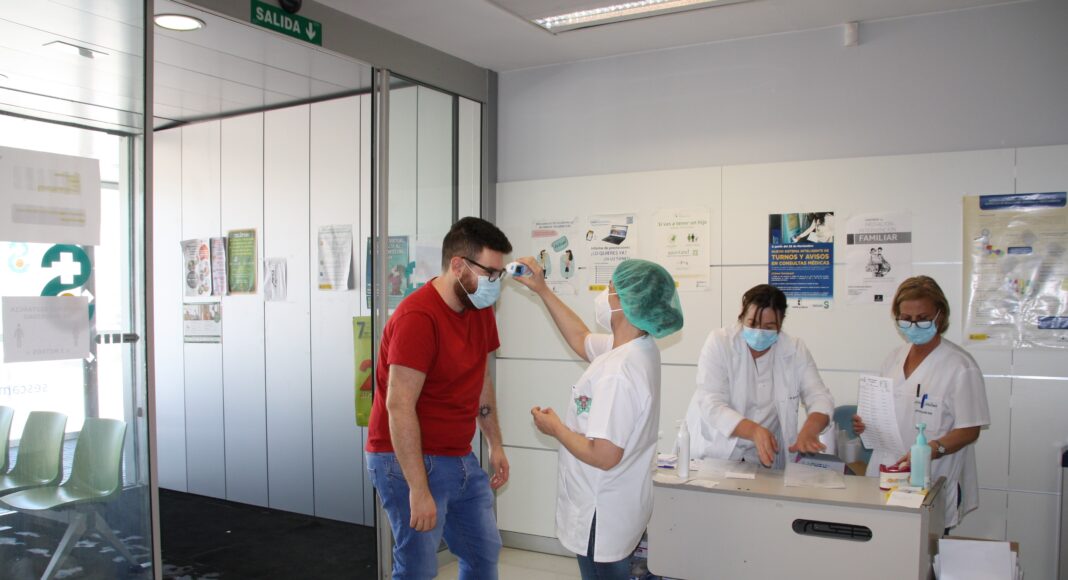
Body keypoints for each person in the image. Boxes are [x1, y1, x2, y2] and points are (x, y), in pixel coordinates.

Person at [512, 258, 683, 580]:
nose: (604, 295)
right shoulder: (639, 347)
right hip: (620, 503)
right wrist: (542, 290)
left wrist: (556, 428)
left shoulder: (619, 371)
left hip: (601, 510)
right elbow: (580, 338)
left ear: (626, 303)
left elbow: (605, 455)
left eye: (610, 289)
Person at [365, 217, 512, 579]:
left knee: (483, 552)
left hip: (457, 455)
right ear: (458, 265)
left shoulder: (479, 310)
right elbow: (399, 405)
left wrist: (495, 444)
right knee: (417, 567)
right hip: (405, 458)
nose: (495, 283)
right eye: (490, 273)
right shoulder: (418, 317)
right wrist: (418, 489)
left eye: (500, 274)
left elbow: (480, 379)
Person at [853, 276, 990, 530]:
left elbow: (970, 429)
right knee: (882, 542)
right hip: (888, 474)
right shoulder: (894, 359)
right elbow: (890, 412)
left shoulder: (960, 366)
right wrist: (866, 424)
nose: (914, 325)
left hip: (933, 477)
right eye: (906, 318)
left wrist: (932, 449)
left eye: (923, 318)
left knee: (922, 548)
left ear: (940, 315)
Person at [685, 284, 834, 468]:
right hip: (715, 452)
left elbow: (819, 396)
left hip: (761, 458)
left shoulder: (795, 350)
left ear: (781, 323)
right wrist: (754, 430)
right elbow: (711, 402)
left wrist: (810, 430)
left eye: (769, 327)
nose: (759, 332)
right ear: (741, 316)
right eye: (752, 323)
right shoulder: (720, 342)